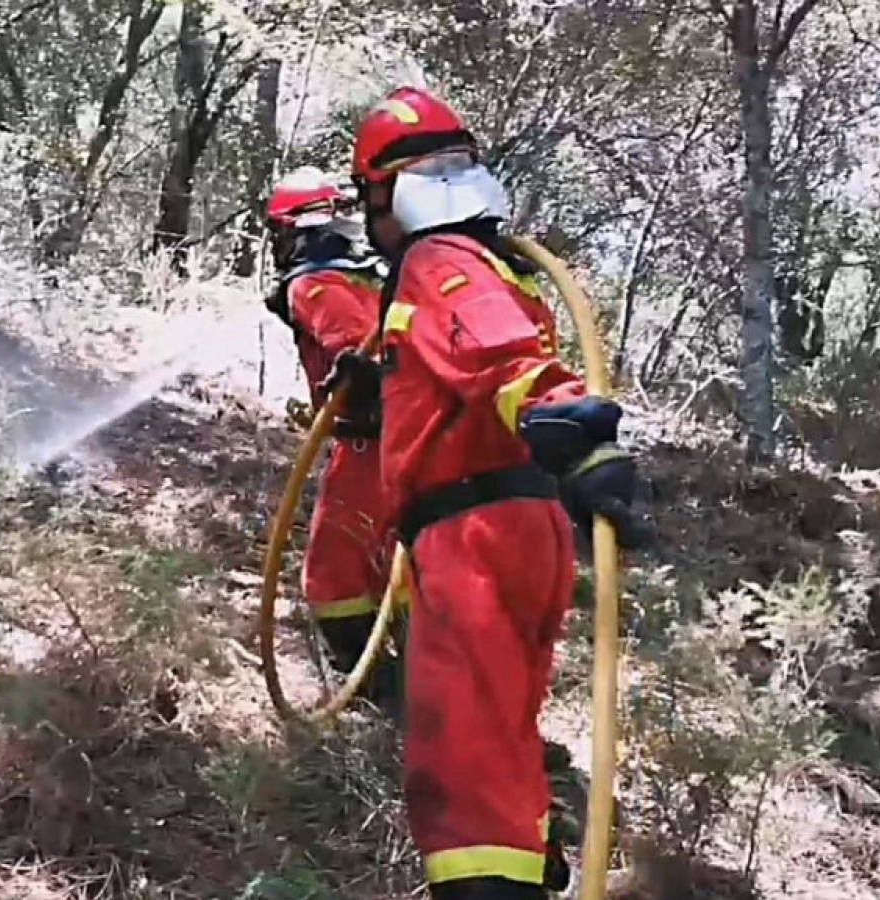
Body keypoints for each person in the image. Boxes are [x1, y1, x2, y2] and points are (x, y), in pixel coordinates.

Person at [343, 87, 648, 899]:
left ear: (386, 195)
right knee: (498, 729)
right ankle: (528, 856)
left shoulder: (434, 260)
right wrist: (377, 385)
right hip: (519, 525)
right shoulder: (483, 265)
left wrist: (567, 425)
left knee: (462, 756)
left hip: (472, 533)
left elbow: (496, 354)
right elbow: (453, 365)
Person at [262, 166, 401, 712]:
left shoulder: (316, 283)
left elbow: (353, 350)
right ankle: (421, 681)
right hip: (414, 441)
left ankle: (375, 692)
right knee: (395, 564)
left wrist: (356, 375)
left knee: (333, 574)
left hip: (369, 447)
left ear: (294, 229)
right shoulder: (374, 275)